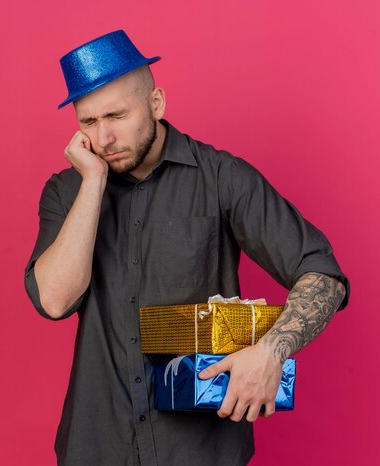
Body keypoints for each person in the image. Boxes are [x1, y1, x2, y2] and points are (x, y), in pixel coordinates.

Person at [25, 30, 349, 466]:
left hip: (199, 451)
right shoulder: (66, 191)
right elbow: (55, 300)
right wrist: (94, 182)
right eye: (88, 122)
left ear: (156, 104)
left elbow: (324, 276)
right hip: (97, 445)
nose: (103, 138)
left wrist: (271, 351)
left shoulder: (221, 177)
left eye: (117, 116)